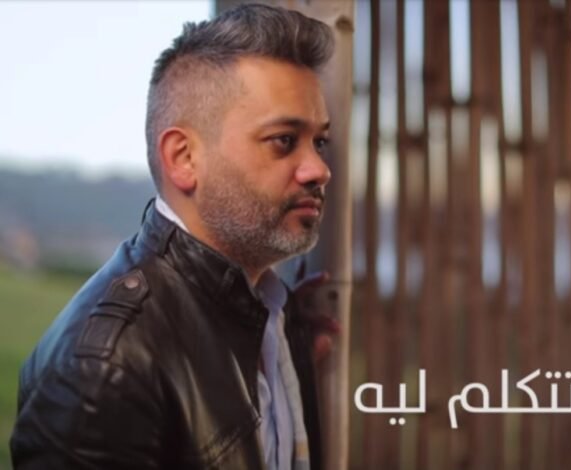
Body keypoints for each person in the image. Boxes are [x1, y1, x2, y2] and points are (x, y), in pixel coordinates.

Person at [10, 4, 337, 469]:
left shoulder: (274, 318)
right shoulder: (107, 370)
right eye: (284, 140)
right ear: (183, 158)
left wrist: (290, 344)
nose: (319, 169)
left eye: (319, 142)